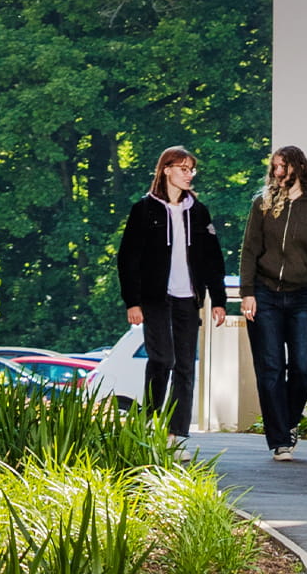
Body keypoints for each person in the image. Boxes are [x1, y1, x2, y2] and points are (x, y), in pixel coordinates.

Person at [116, 146, 228, 461]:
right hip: (154, 298)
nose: (189, 174)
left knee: (184, 367)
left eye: (191, 169)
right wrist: (132, 301)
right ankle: (150, 419)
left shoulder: (199, 211)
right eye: (182, 168)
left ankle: (175, 435)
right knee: (161, 359)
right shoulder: (144, 210)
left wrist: (217, 299)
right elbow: (128, 258)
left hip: (187, 299)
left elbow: (212, 260)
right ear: (166, 170)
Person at [239, 145, 307, 462]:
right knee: (269, 370)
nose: (277, 172)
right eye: (274, 167)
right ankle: (280, 439)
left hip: (301, 296)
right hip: (265, 294)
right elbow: (249, 251)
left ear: (298, 168)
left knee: (303, 367)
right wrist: (247, 292)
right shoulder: (263, 205)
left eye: (282, 167)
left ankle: (290, 421)